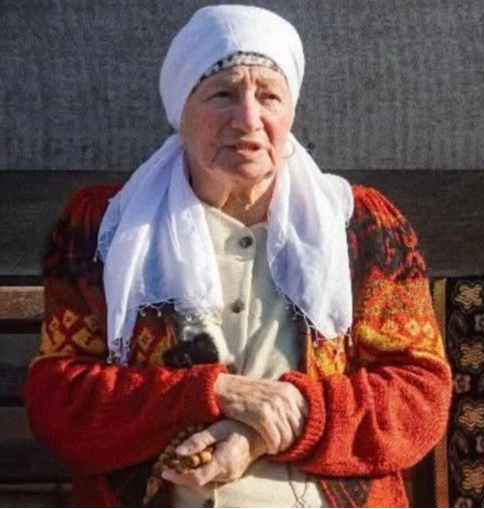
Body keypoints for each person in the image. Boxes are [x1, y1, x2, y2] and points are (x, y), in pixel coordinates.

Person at [23, 5, 451, 508]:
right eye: (222, 94)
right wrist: (213, 393)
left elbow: (417, 396)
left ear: (290, 112)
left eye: (269, 95)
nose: (248, 119)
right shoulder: (104, 228)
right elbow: (60, 403)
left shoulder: (364, 227)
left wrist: (280, 420)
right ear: (180, 109)